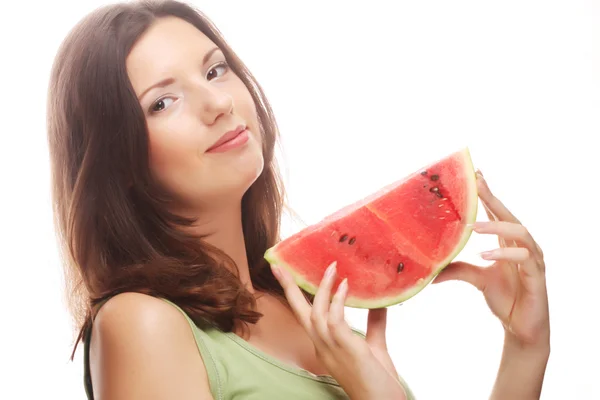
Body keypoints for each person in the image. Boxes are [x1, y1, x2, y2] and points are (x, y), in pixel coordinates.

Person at [46, 1, 550, 399]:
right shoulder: (143, 323)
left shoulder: (302, 303)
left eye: (216, 70)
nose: (219, 104)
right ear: (121, 163)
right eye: (162, 102)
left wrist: (525, 347)